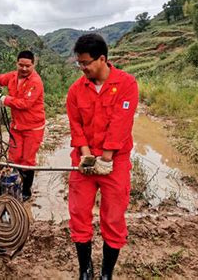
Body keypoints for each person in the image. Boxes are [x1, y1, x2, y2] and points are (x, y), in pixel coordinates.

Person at [66, 33, 138, 279]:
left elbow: (121, 123)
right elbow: (76, 125)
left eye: (86, 63)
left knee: (114, 217)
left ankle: (107, 273)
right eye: (79, 63)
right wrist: (86, 156)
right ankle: (85, 270)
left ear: (102, 59)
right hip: (84, 162)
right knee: (78, 214)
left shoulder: (127, 84)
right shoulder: (76, 90)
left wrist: (106, 159)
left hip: (114, 163)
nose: (82, 68)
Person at [0, 50, 45, 201]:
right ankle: (15, 185)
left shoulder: (35, 82)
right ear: (16, 63)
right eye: (21, 65)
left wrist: (4, 99)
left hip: (33, 127)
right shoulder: (12, 76)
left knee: (28, 161)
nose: (24, 69)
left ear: (33, 65)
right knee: (14, 158)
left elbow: (25, 103)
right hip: (16, 126)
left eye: (27, 66)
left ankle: (26, 191)